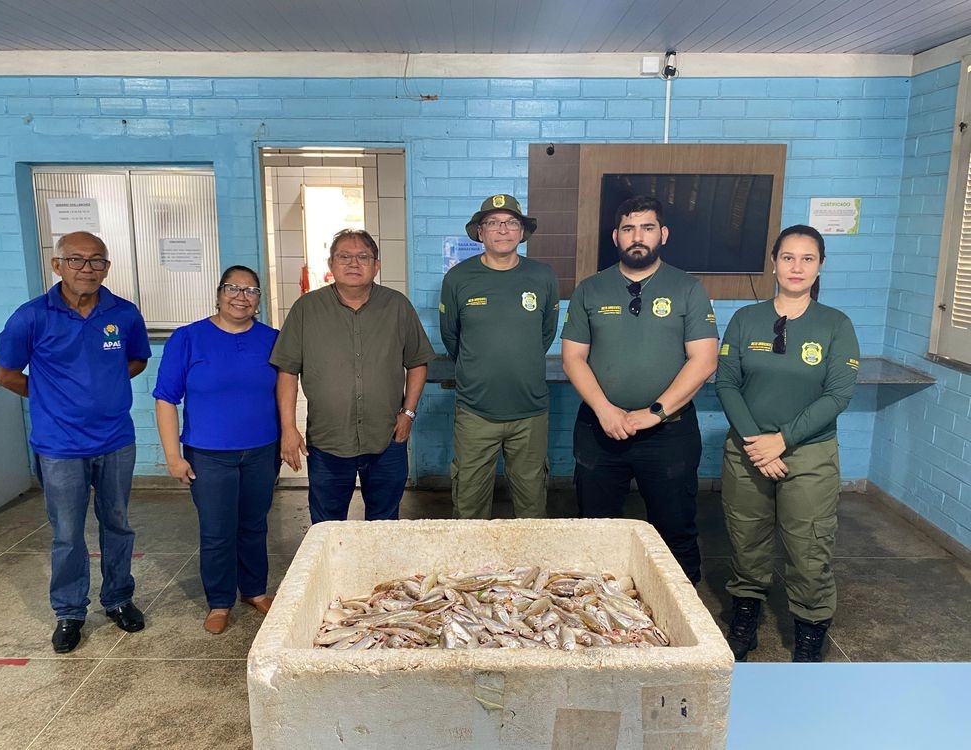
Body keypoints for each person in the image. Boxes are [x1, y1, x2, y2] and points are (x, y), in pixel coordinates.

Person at [0, 231, 151, 653]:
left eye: (97, 261)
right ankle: (69, 612)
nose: (88, 269)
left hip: (116, 440)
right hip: (59, 446)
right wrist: (51, 398)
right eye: (77, 260)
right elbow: (7, 375)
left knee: (117, 524)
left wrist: (106, 389)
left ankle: (119, 598)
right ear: (57, 264)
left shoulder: (124, 313)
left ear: (107, 267)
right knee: (67, 533)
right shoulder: (30, 317)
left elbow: (135, 360)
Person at [715, 224, 859, 662]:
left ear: (820, 267)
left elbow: (838, 394)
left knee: (808, 546)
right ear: (774, 263)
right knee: (746, 539)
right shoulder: (745, 320)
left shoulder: (836, 325)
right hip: (748, 450)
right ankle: (745, 615)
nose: (797, 267)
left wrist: (783, 439)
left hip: (808, 453)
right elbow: (726, 383)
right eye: (789, 257)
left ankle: (811, 627)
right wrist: (757, 443)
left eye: (808, 259)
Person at [561, 196, 718, 584]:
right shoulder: (591, 289)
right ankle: (602, 622)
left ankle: (683, 627)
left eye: (647, 228)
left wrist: (656, 412)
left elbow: (704, 360)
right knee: (596, 531)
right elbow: (573, 358)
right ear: (616, 236)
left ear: (662, 234)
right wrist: (605, 410)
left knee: (675, 532)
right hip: (601, 429)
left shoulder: (688, 289)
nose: (638, 237)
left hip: (669, 433)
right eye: (629, 229)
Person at [272, 229, 435, 524]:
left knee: (384, 524)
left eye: (363, 257)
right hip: (328, 441)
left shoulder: (397, 306)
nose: (353, 263)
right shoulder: (306, 309)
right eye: (344, 256)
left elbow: (418, 362)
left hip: (387, 438)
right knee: (327, 526)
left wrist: (408, 414)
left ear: (376, 265)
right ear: (331, 264)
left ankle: (381, 572)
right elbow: (287, 370)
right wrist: (288, 428)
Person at [153, 266, 280, 635]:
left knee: (254, 525)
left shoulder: (271, 339)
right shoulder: (188, 338)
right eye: (233, 288)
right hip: (208, 454)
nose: (240, 296)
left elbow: (284, 390)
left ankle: (254, 590)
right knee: (217, 529)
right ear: (219, 292)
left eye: (250, 290)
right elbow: (165, 399)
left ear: (259, 299)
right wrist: (173, 457)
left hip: (261, 451)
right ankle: (220, 601)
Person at [439, 194, 560, 519]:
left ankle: (530, 569)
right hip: (476, 412)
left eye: (511, 223)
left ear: (522, 232)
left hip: (530, 412)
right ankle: (472, 568)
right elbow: (452, 336)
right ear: (480, 232)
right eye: (493, 222)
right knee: (469, 505)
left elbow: (545, 333)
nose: (503, 229)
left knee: (532, 504)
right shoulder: (458, 278)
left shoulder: (543, 276)